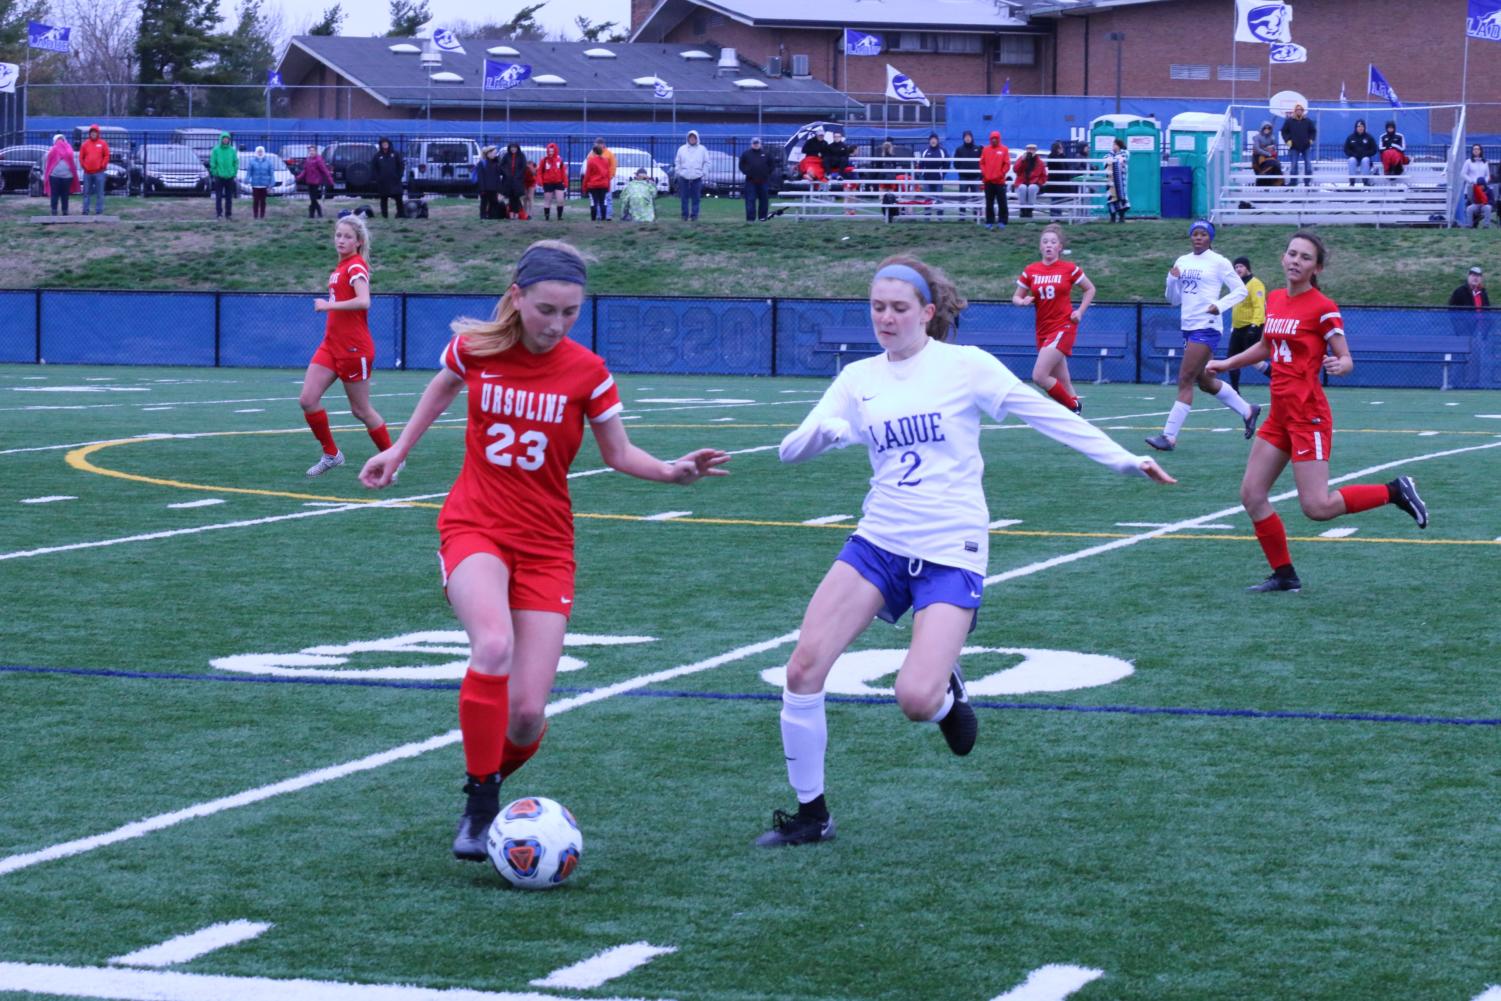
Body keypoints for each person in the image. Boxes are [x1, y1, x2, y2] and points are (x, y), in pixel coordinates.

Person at [755, 254, 1175, 847]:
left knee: (914, 699)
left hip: (952, 543)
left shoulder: (965, 366)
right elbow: (789, 452)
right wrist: (818, 436)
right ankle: (810, 813)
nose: (886, 318)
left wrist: (1125, 459)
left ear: (927, 313)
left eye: (900, 308)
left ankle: (947, 693)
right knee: (802, 667)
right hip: (879, 540)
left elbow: (1044, 413)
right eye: (878, 307)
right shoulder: (858, 380)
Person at [355, 240, 730, 861]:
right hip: (476, 525)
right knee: (493, 645)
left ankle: (491, 774)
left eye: (570, 313)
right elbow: (442, 387)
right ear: (517, 297)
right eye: (546, 310)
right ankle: (479, 807)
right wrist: (398, 449)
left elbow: (618, 453)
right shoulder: (476, 349)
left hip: (547, 544)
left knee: (527, 715)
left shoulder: (587, 371)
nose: (556, 324)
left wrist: (672, 472)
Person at [1206, 231, 1428, 593]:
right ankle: (1284, 575)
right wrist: (1227, 362)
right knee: (1252, 495)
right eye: (1291, 253)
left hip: (1308, 415)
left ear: (1316, 267)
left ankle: (1395, 490)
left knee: (1317, 507)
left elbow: (1345, 357)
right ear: (1283, 258)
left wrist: (1341, 364)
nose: (1295, 261)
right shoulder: (1275, 299)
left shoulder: (1323, 306)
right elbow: (1265, 345)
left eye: (1305, 257)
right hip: (1279, 414)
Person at [1145, 220, 1257, 452]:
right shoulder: (1182, 261)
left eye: (1202, 234)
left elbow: (1240, 290)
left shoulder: (1219, 262)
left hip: (1206, 326)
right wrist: (1171, 279)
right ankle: (1248, 410)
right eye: (1194, 234)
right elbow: (1173, 299)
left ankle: (1169, 437)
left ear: (1210, 238)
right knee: (1204, 380)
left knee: (1185, 378)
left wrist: (1219, 305)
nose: (1198, 237)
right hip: (1188, 325)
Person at [299, 215, 394, 478]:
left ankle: (391, 458)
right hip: (331, 345)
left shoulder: (356, 266)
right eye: (338, 235)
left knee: (360, 410)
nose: (341, 240)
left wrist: (328, 306)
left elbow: (364, 301)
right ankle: (331, 455)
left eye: (347, 236)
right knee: (307, 399)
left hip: (354, 348)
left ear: (358, 241)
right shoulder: (340, 268)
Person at [1012, 224, 1095, 413]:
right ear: (1040, 247)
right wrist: (1022, 301)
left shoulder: (1069, 269)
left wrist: (1080, 311)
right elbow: (1016, 297)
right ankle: (1076, 423)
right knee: (1064, 382)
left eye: (1053, 242)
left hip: (1063, 326)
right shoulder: (1031, 270)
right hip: (1042, 330)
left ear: (1060, 247)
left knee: (1040, 376)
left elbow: (1090, 289)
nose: (1049, 245)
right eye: (1045, 242)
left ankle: (1074, 406)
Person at [1227, 256, 1269, 392]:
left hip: (1251, 328)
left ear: (1247, 268)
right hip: (1238, 329)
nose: (1238, 269)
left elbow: (1259, 306)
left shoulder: (1255, 284)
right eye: (1236, 267)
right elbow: (1236, 306)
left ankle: (1279, 379)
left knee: (1254, 361)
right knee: (1231, 360)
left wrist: (1255, 325)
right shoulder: (1237, 285)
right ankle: (1235, 391)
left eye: (1241, 266)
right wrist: (1233, 326)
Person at [41, 134, 81, 217]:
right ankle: (59, 211)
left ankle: (59, 211)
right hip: (61, 176)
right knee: (61, 195)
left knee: (60, 194)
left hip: (61, 176)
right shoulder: (67, 149)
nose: (60, 142)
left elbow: (46, 161)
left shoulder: (54, 150)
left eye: (61, 140)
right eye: (58, 140)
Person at [674, 129, 709, 221]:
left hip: (697, 177)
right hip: (684, 177)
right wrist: (679, 172)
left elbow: (707, 162)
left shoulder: (702, 149)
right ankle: (684, 216)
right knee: (684, 197)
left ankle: (694, 216)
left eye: (694, 137)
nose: (692, 139)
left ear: (697, 138)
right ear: (688, 138)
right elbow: (677, 162)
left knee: (696, 198)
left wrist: (703, 172)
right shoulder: (681, 149)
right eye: (690, 137)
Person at [979, 130, 1010, 230]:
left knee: (1002, 202)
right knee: (989, 203)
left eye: (996, 138)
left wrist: (1000, 174)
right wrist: (985, 173)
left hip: (1000, 181)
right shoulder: (986, 150)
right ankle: (989, 221)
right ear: (990, 139)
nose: (994, 140)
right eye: (992, 138)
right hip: (988, 181)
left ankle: (1003, 221)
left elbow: (1007, 164)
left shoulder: (1004, 149)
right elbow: (982, 163)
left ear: (999, 138)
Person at [1280, 103, 1315, 188]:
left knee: (1308, 164)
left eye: (1301, 110)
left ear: (1303, 111)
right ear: (1295, 111)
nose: (1299, 111)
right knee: (1294, 165)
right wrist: (1288, 140)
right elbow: (1284, 131)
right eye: (1297, 110)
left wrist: (1310, 140)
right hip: (1294, 146)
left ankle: (1307, 181)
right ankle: (1293, 181)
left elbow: (1313, 131)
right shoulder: (1289, 121)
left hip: (1305, 146)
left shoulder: (1308, 121)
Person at [739, 136, 773, 222]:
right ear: (751, 144)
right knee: (750, 200)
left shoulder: (766, 153)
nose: (756, 145)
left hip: (763, 181)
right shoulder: (746, 154)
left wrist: (766, 173)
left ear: (760, 144)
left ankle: (762, 218)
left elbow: (772, 165)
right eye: (754, 143)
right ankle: (750, 219)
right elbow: (741, 165)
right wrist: (747, 172)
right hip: (750, 181)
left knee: (764, 200)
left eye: (757, 143)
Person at [78, 124, 109, 216]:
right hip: (87, 173)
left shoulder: (103, 143)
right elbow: (81, 157)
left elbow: (106, 155)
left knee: (99, 193)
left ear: (98, 133)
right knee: (86, 193)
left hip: (99, 172)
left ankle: (99, 211)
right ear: (89, 134)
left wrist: (102, 165)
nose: (93, 134)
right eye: (92, 132)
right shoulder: (85, 144)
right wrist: (84, 166)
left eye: (95, 132)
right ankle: (85, 211)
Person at [371, 137, 406, 218]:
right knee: (383, 199)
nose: (385, 145)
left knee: (398, 198)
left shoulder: (395, 154)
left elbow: (401, 165)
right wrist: (378, 178)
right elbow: (373, 168)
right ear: (381, 145)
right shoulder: (377, 156)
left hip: (395, 181)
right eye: (383, 143)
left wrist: (399, 176)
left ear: (389, 144)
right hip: (383, 182)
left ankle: (401, 214)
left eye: (386, 143)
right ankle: (385, 216)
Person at [1012, 143, 1048, 219]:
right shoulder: (1022, 159)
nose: (1031, 151)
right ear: (1026, 150)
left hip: (1034, 183)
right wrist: (1022, 160)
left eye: (1032, 149)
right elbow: (1015, 169)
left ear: (1035, 151)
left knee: (1032, 188)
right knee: (1023, 188)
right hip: (1022, 182)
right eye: (1029, 149)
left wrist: (1039, 183)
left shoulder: (1039, 162)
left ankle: (1029, 210)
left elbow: (1044, 176)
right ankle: (1023, 210)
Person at [208, 131, 239, 220]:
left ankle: (228, 214)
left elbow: (236, 162)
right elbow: (213, 162)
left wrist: (234, 172)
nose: (226, 140)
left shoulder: (232, 150)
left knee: (229, 197)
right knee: (218, 197)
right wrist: (215, 173)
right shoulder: (216, 150)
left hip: (230, 177)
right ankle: (219, 214)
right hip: (219, 177)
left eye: (227, 139)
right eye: (224, 139)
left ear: (229, 140)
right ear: (221, 139)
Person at [952, 129, 982, 217]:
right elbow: (955, 163)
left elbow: (983, 162)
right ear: (963, 138)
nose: (967, 138)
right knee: (962, 197)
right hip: (963, 177)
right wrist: (961, 171)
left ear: (972, 138)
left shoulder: (978, 148)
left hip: (975, 177)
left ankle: (977, 216)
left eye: (969, 137)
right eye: (966, 137)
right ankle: (962, 216)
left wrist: (980, 174)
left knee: (976, 198)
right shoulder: (959, 149)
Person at [297, 145, 333, 219]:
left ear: (316, 151)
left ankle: (313, 214)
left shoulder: (319, 159)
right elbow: (305, 170)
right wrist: (298, 177)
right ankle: (315, 214)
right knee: (312, 199)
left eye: (313, 150)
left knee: (313, 199)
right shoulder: (308, 160)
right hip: (309, 181)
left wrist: (330, 180)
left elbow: (325, 170)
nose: (311, 152)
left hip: (316, 182)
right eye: (310, 151)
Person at [917, 132, 948, 216]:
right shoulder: (925, 151)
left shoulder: (943, 151)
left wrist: (942, 174)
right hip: (927, 178)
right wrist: (923, 174)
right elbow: (920, 164)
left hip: (938, 178)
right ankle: (927, 217)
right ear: (929, 141)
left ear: (937, 140)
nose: (933, 141)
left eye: (934, 139)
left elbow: (946, 164)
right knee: (928, 198)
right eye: (931, 139)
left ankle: (940, 217)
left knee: (939, 198)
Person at [582, 140, 613, 221]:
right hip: (603, 185)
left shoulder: (591, 161)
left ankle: (593, 219)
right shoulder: (606, 161)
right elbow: (607, 174)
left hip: (593, 185)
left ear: (594, 151)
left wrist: (584, 187)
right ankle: (603, 219)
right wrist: (608, 186)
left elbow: (587, 174)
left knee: (593, 202)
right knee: (603, 202)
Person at [498, 143, 529, 220]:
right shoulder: (506, 156)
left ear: (517, 148)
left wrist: (518, 175)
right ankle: (511, 214)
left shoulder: (521, 156)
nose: (513, 149)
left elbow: (524, 167)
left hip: (517, 180)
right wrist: (506, 173)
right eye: (512, 147)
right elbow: (501, 166)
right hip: (508, 181)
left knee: (516, 198)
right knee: (511, 198)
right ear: (509, 148)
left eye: (515, 147)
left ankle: (516, 214)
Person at [537, 142, 567, 221]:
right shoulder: (544, 160)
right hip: (548, 183)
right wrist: (540, 181)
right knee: (548, 201)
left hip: (558, 182)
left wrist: (565, 182)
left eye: (552, 151)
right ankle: (547, 217)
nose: (551, 153)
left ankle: (559, 217)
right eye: (549, 151)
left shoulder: (559, 160)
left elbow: (563, 172)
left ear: (555, 151)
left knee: (560, 200)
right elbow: (539, 172)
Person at [1343, 119, 1377, 186]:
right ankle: (1352, 182)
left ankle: (1365, 181)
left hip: (1365, 158)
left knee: (1366, 160)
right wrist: (1353, 154)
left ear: (1364, 127)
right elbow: (1346, 149)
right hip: (1354, 158)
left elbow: (1374, 149)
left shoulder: (1369, 137)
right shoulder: (1351, 137)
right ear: (1356, 127)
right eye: (1358, 126)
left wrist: (1366, 154)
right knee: (1351, 160)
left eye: (1362, 126)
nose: (1360, 128)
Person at [1104, 138, 1129, 222]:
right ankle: (1112, 218)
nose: (1113, 146)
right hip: (1111, 180)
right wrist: (1113, 160)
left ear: (1118, 146)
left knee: (1121, 198)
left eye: (1114, 144)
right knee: (1111, 198)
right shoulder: (1109, 154)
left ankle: (1122, 217)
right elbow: (1105, 160)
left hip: (1121, 181)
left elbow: (1122, 160)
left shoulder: (1125, 153)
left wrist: (1114, 160)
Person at [1251, 122, 1283, 187]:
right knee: (1273, 164)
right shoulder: (1257, 137)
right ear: (1262, 128)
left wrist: (1272, 145)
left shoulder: (1271, 137)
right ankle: (1261, 183)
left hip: (1269, 157)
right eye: (1265, 128)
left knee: (1276, 165)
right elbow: (1257, 149)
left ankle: (1278, 182)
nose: (1267, 129)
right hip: (1258, 158)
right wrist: (1267, 152)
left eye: (1269, 128)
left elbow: (1274, 147)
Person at [246, 146, 274, 220]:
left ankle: (262, 215)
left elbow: (271, 174)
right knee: (255, 201)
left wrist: (271, 184)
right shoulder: (252, 162)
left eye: (261, 151)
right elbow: (249, 172)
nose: (260, 153)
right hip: (255, 185)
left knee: (263, 201)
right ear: (256, 152)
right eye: (258, 151)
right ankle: (255, 215)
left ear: (263, 152)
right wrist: (247, 180)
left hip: (264, 185)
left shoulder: (268, 162)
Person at [475, 146, 502, 220]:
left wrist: (499, 187)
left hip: (494, 187)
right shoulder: (482, 163)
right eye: (494, 153)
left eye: (495, 153)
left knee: (494, 202)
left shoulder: (496, 162)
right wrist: (482, 188)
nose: (495, 155)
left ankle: (492, 215)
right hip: (485, 187)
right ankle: (483, 216)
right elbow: (480, 177)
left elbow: (498, 175)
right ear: (488, 153)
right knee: (484, 202)